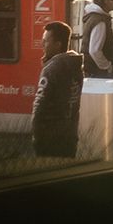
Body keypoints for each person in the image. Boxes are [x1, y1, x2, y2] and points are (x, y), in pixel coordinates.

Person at [30, 19, 84, 158]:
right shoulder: (76, 67)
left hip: (49, 138)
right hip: (69, 136)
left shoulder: (51, 69)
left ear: (58, 44)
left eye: (46, 41)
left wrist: (37, 135)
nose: (43, 45)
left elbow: (39, 105)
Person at [81, 0, 113, 80]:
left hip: (93, 72)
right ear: (105, 1)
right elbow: (94, 51)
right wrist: (108, 67)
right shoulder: (100, 21)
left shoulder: (94, 17)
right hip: (99, 74)